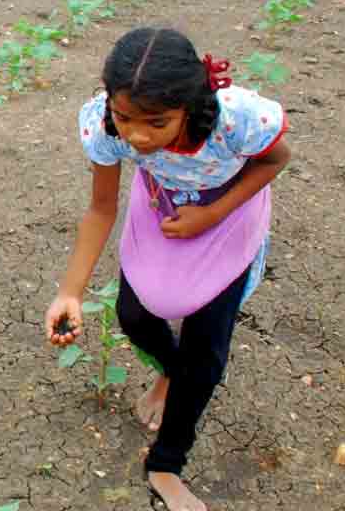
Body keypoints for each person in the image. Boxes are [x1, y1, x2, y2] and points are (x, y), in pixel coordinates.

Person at [44, 27, 291, 511]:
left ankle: (166, 465)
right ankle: (172, 373)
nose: (138, 135)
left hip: (229, 213)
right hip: (161, 205)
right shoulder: (107, 125)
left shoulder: (234, 120)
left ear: (190, 107)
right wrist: (70, 291)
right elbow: (100, 210)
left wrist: (213, 214)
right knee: (134, 316)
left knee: (206, 348)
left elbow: (277, 160)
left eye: (157, 123)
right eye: (126, 117)